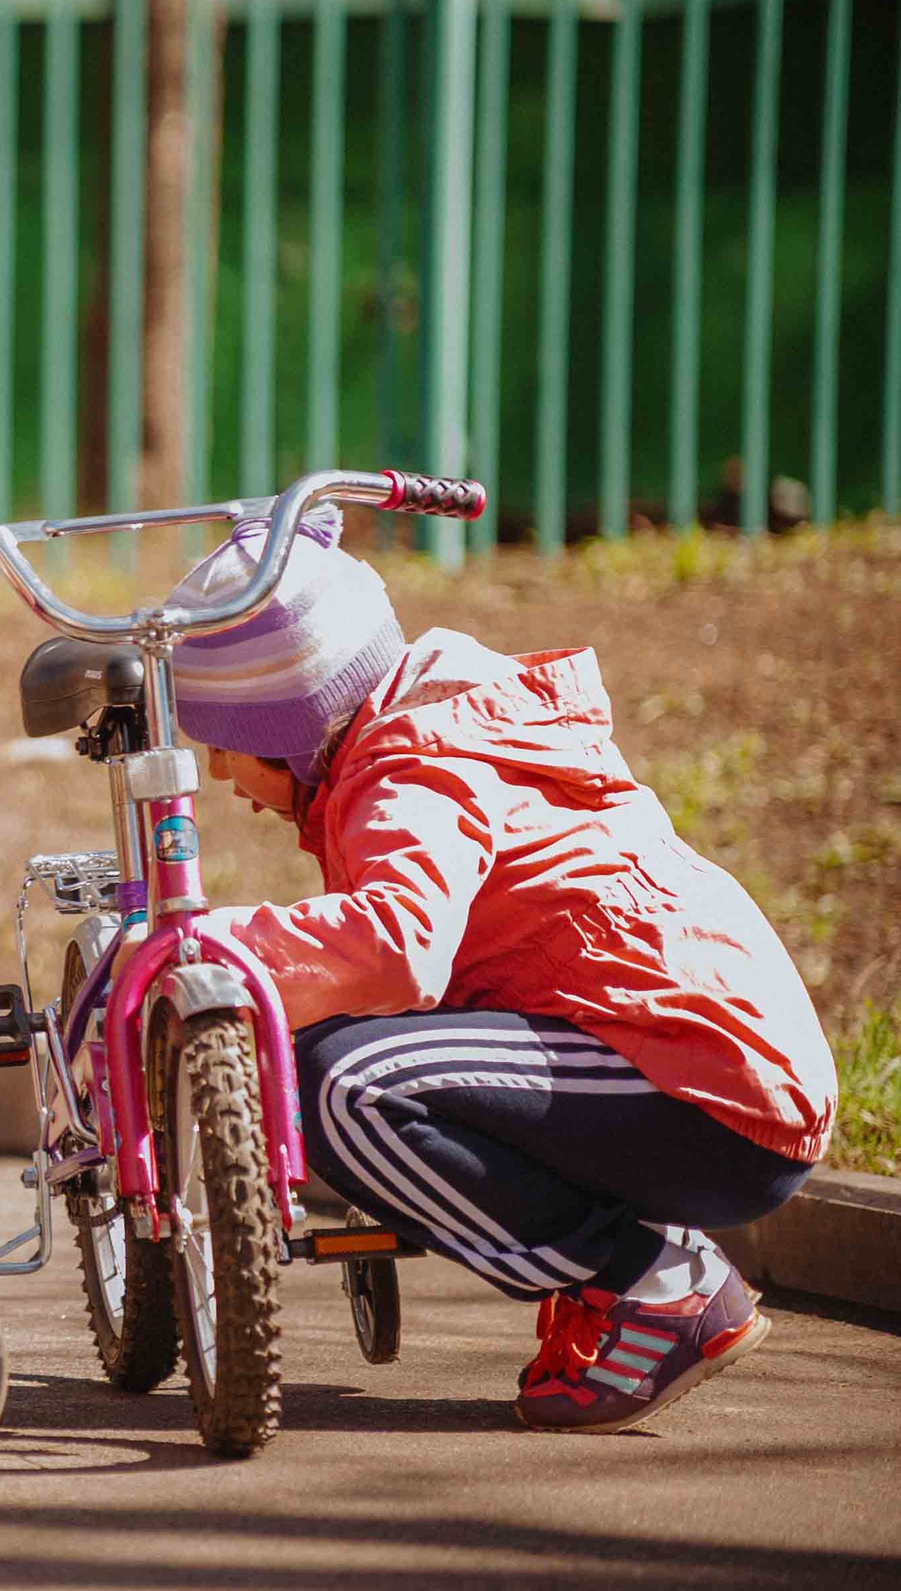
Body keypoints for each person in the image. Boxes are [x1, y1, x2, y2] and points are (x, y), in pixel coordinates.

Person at [171, 506, 836, 1433]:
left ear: (286, 726)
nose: (217, 773)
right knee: (350, 1048)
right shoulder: (417, 727)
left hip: (707, 1082)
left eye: (222, 742)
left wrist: (209, 943)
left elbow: (398, 945)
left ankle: (662, 1284)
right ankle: (625, 1271)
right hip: (700, 1058)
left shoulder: (411, 768)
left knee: (341, 1086)